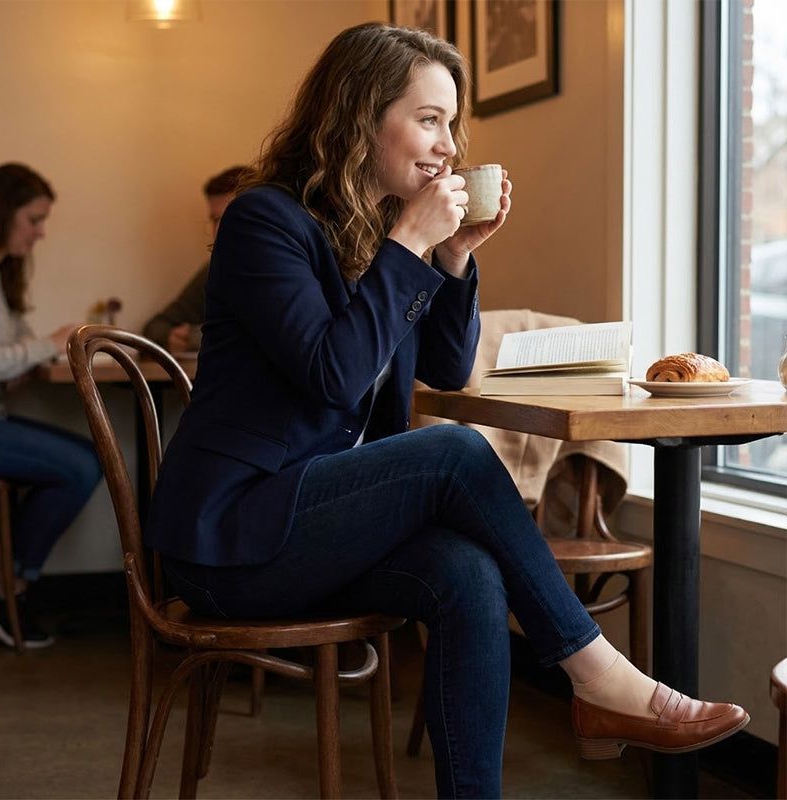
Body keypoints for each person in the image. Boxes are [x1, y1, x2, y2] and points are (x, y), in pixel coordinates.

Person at [144, 23, 749, 798]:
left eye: (451, 123)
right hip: (234, 543)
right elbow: (335, 375)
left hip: (317, 531)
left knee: (467, 574)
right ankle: (600, 677)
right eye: (428, 119)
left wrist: (455, 257)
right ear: (360, 116)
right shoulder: (267, 221)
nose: (447, 145)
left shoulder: (375, 234)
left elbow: (446, 366)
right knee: (457, 451)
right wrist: (407, 245)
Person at [0, 162, 102, 648]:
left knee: (91, 457)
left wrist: (25, 355)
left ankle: (2, 570)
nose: (40, 232)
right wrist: (50, 344)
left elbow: (4, 348)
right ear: (1, 212)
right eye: (33, 219)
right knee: (79, 466)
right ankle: (4, 584)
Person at [141, 165, 245, 353]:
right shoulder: (214, 270)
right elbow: (155, 327)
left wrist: (197, 336)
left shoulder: (287, 268)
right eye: (214, 220)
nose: (218, 230)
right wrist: (171, 337)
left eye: (229, 217)